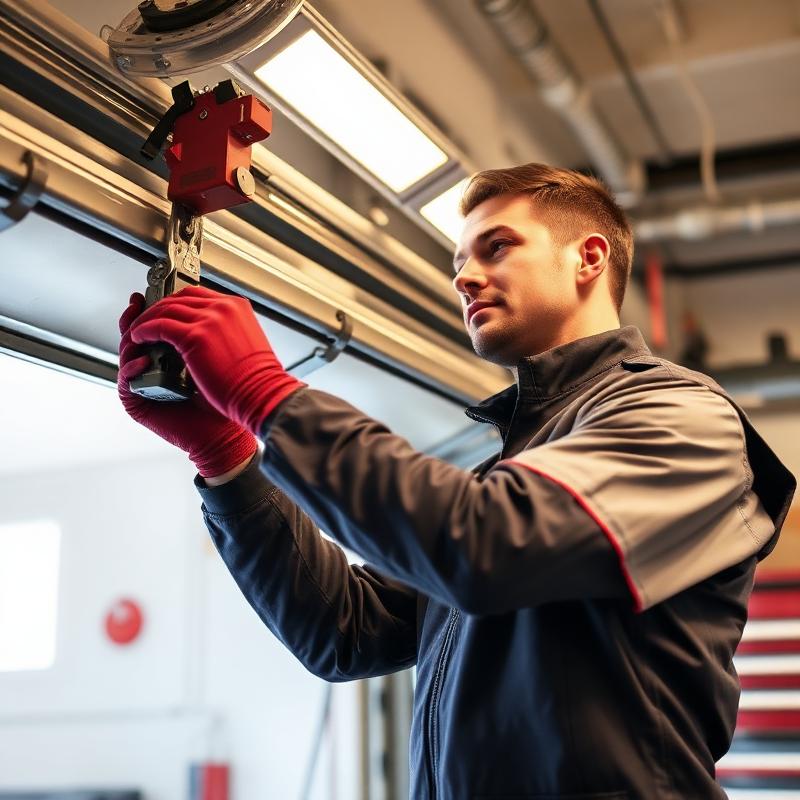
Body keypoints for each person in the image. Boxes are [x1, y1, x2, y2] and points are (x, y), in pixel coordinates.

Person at [118, 163, 795, 799]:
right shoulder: (508, 472)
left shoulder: (680, 416)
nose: (466, 277)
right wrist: (228, 457)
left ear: (589, 258)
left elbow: (487, 546)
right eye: (458, 263)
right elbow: (344, 629)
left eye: (496, 247)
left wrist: (264, 393)